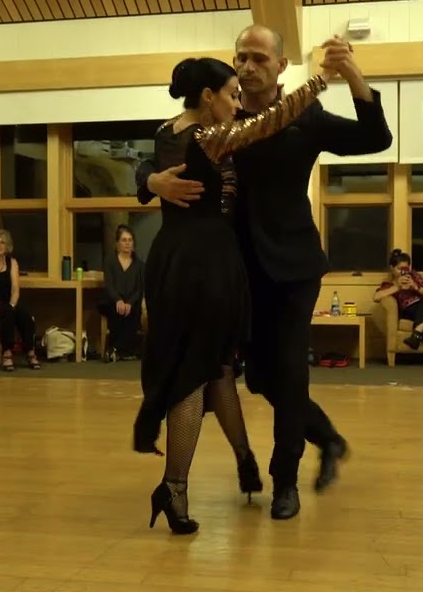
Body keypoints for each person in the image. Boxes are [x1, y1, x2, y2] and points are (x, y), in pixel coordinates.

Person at [139, 27, 392, 520]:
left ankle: (285, 482)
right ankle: (326, 437)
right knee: (258, 380)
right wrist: (149, 180)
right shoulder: (219, 116)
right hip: (235, 271)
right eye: (241, 57)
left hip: (293, 266)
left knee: (290, 373)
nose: (248, 65)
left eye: (259, 57)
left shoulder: (305, 117)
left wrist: (349, 72)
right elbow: (165, 146)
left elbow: (376, 136)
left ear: (280, 66)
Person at [0, 229, 42, 371]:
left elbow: (15, 289)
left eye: (2, 242)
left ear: (7, 245)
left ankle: (30, 351)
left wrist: (12, 304)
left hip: (7, 303)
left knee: (24, 314)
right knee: (7, 314)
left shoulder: (12, 262)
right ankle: (7, 352)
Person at [374, 248, 423, 368]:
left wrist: (415, 287)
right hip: (409, 310)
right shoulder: (389, 283)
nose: (403, 272)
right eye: (399, 269)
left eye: (406, 269)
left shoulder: (414, 276)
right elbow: (376, 297)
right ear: (392, 269)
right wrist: (397, 287)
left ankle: (417, 337)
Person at [101, 224, 145, 362]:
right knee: (116, 311)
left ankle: (115, 349)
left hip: (132, 302)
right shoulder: (110, 261)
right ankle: (121, 350)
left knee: (133, 312)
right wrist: (118, 300)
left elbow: (140, 289)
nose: (127, 243)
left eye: (130, 240)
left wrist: (130, 303)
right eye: (124, 240)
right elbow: (109, 285)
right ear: (117, 243)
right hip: (113, 300)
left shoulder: (140, 265)